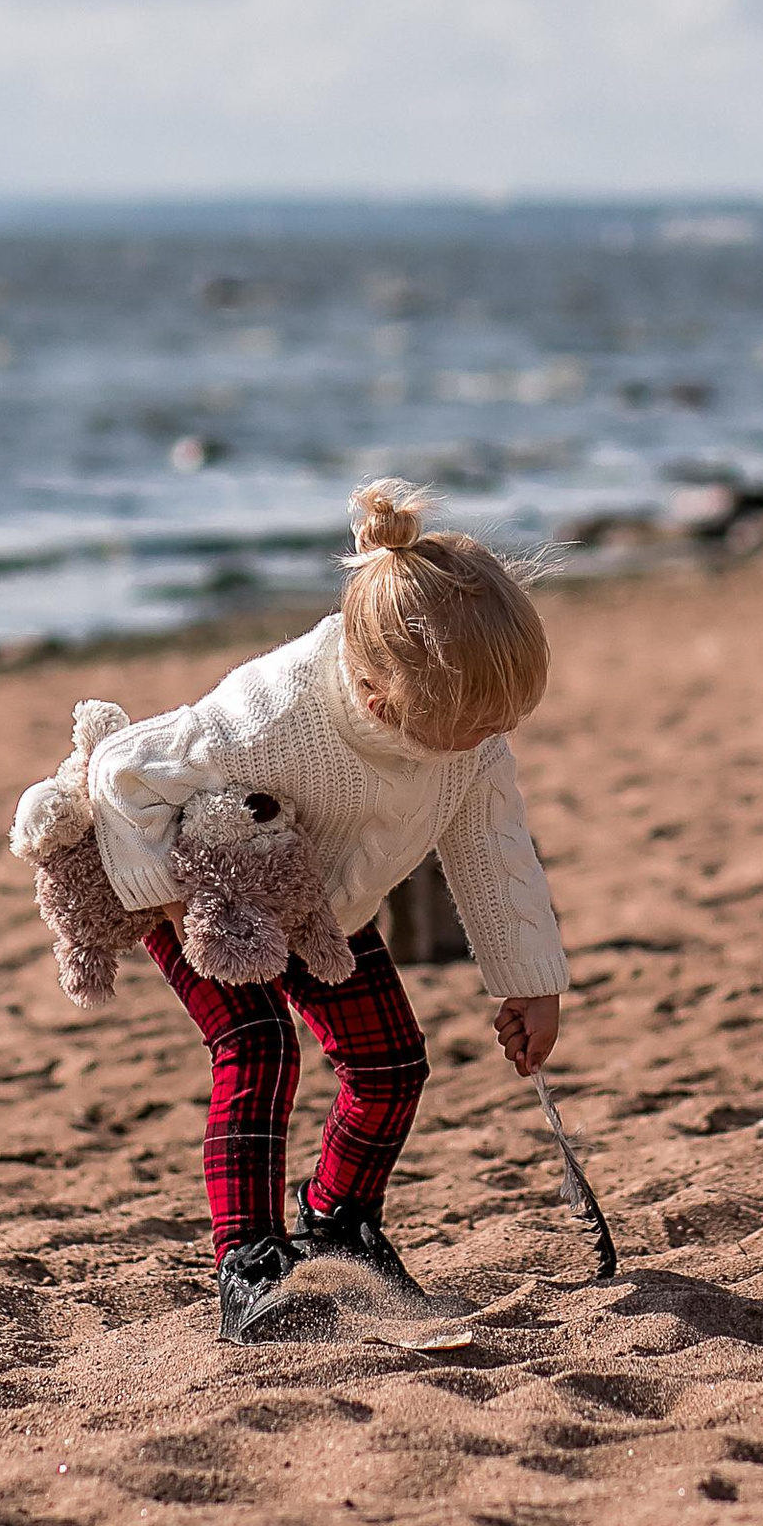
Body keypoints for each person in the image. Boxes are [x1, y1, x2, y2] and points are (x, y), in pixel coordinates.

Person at [80, 480, 568, 1340]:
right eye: (468, 729)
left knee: (390, 1065)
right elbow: (122, 770)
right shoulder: (272, 714)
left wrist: (529, 980)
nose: (486, 742)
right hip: (209, 888)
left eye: (503, 724)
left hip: (322, 902)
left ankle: (337, 1222)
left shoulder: (467, 728)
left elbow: (492, 847)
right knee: (259, 1045)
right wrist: (174, 899)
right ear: (379, 701)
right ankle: (250, 1267)